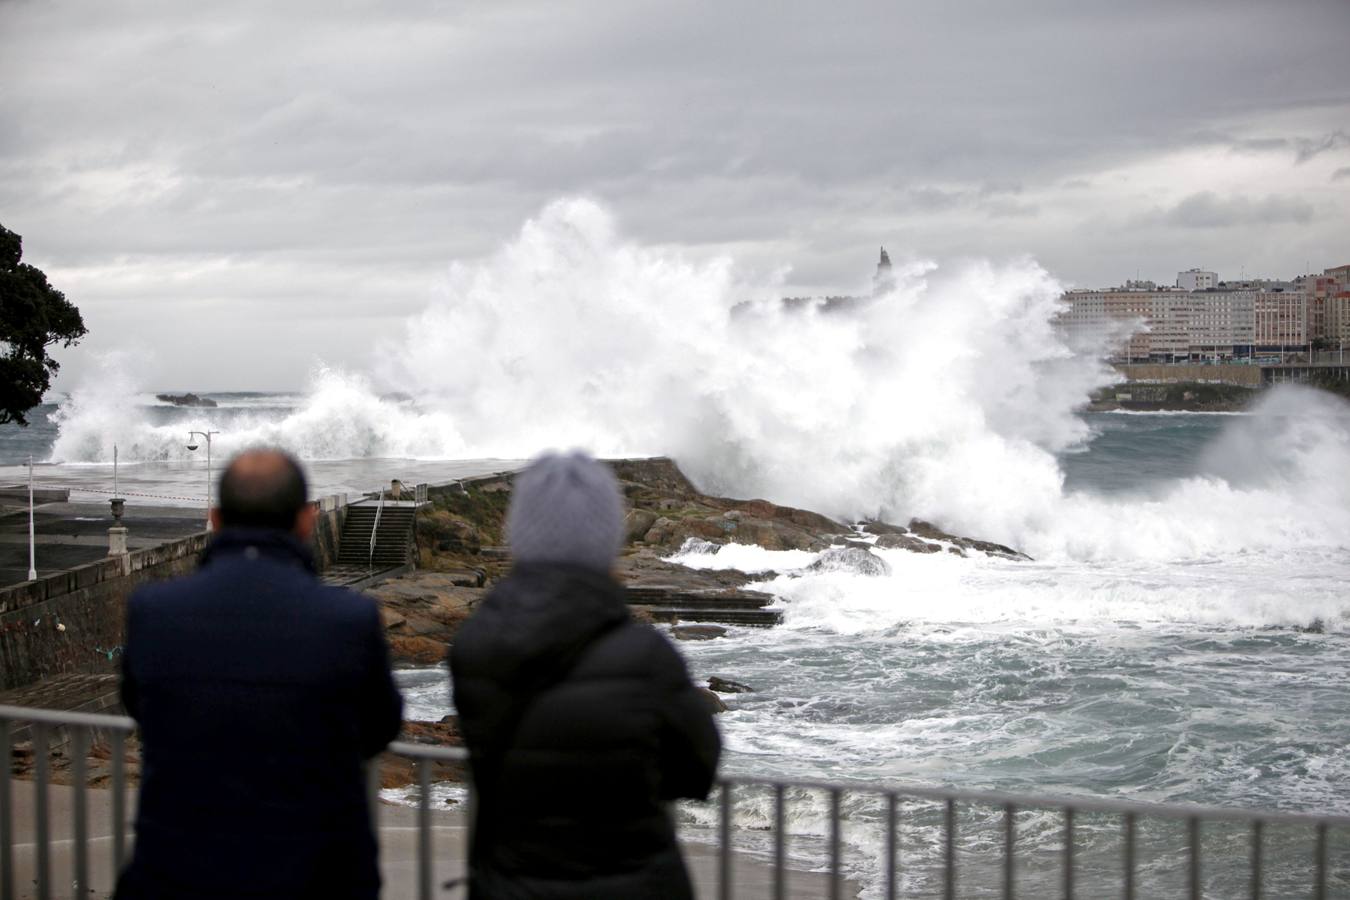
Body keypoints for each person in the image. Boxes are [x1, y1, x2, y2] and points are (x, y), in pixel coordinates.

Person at [116, 449, 403, 900]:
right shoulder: (349, 619)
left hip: (176, 875)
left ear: (214, 518)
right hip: (317, 876)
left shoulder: (155, 611)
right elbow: (380, 726)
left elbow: (140, 706)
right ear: (307, 520)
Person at [450, 451, 721, 899]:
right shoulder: (646, 657)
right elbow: (697, 770)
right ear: (608, 540)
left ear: (519, 537)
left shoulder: (476, 648)